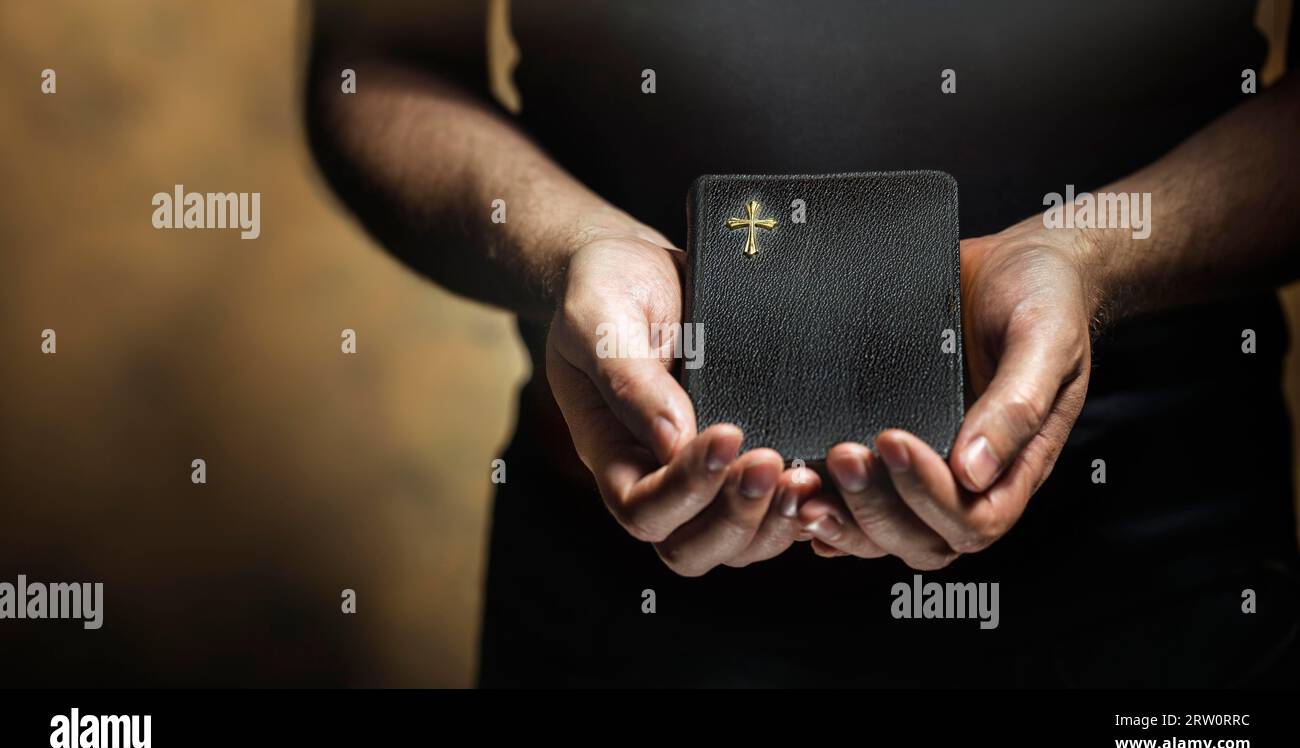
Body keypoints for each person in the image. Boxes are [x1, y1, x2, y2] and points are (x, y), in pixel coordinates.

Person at [306, 0, 1300, 687]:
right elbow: (379, 60)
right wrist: (572, 248)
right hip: (620, 573)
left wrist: (1094, 259)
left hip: (1162, 564)